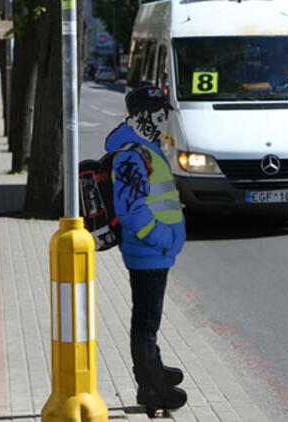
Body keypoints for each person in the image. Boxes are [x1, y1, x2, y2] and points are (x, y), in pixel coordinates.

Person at [106, 86, 187, 414]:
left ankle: (152, 370)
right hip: (148, 252)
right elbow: (132, 210)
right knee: (145, 324)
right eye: (157, 112)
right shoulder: (131, 155)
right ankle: (151, 390)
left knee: (147, 322)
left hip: (155, 252)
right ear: (139, 115)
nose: (164, 118)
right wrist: (164, 237)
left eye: (164, 112)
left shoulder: (147, 147)